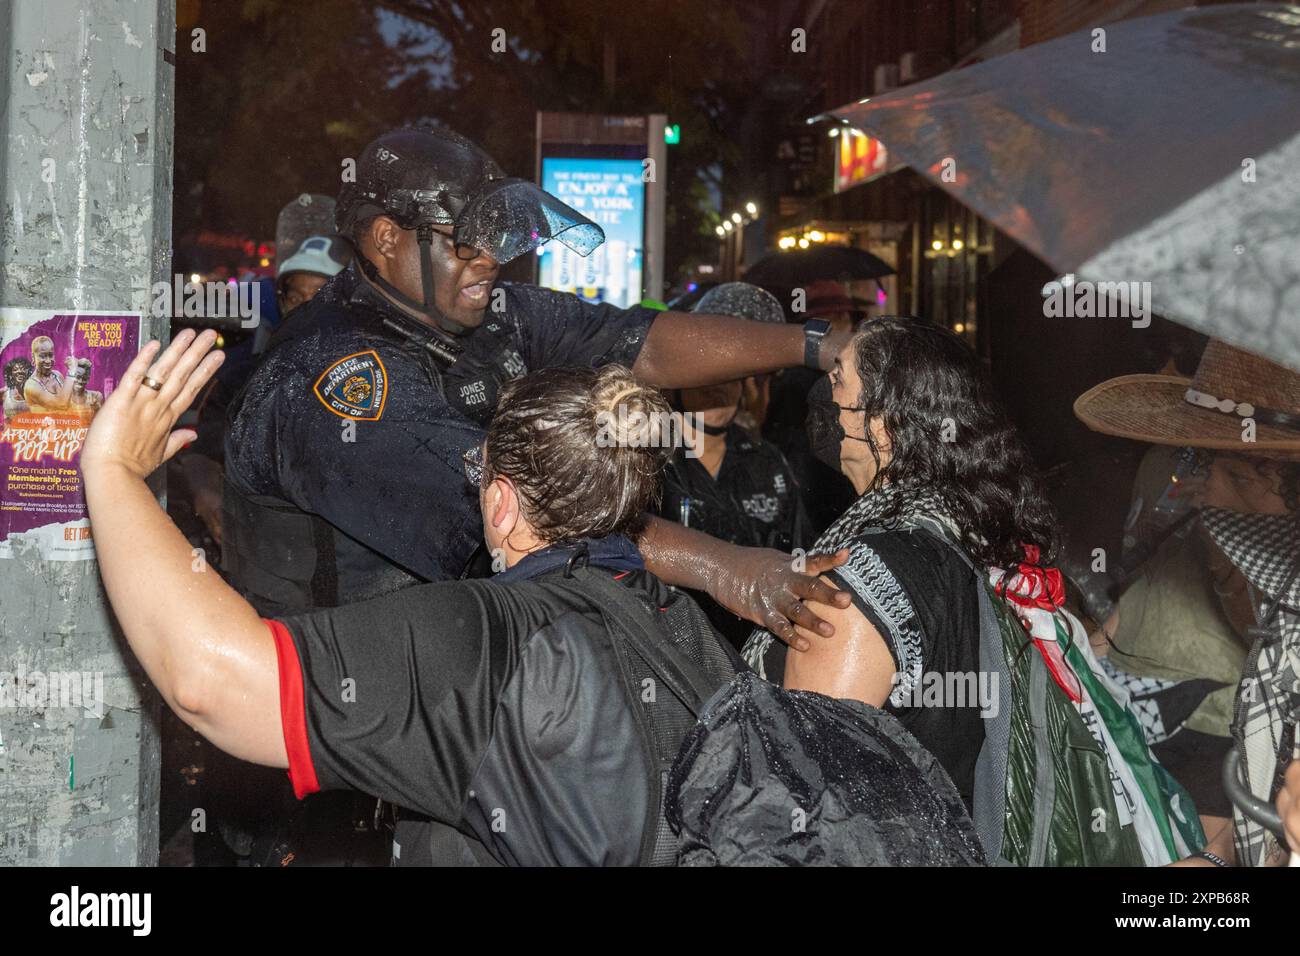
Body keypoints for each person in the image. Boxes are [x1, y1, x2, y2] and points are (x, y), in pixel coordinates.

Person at [82, 330, 744, 866]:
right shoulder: (689, 631)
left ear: (503, 503)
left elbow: (212, 681)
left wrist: (113, 475)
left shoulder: (484, 636)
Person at [222, 126, 853, 644]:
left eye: (497, 236)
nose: (491, 257)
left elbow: (643, 342)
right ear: (387, 239)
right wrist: (726, 569)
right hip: (341, 717)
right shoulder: (332, 374)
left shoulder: (488, 313)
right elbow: (533, 513)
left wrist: (819, 345)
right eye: (466, 240)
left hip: (451, 672)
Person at [742, 317, 1202, 865]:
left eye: (837, 379)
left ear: (884, 425)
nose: (821, 397)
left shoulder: (861, 580)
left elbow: (802, 797)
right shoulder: (989, 540)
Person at [1074, 337, 1300, 866]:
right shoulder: (1286, 613)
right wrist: (1212, 861)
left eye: (1229, 473)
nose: (1206, 489)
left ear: (1278, 479)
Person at [656, 282, 810, 647]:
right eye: (708, 371)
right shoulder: (646, 463)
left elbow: (798, 557)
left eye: (732, 374)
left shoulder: (768, 464)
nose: (720, 385)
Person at [23, 336, 78, 414]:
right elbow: (62, 405)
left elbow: (70, 401)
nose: (48, 361)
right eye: (42, 356)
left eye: (50, 355)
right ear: (33, 357)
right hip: (42, 426)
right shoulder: (31, 386)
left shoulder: (57, 375)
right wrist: (72, 371)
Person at [2, 357, 32, 421]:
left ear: (28, 373)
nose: (20, 371)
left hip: (29, 430)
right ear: (10, 374)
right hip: (9, 430)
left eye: (23, 369)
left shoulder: (34, 393)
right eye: (15, 369)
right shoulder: (4, 393)